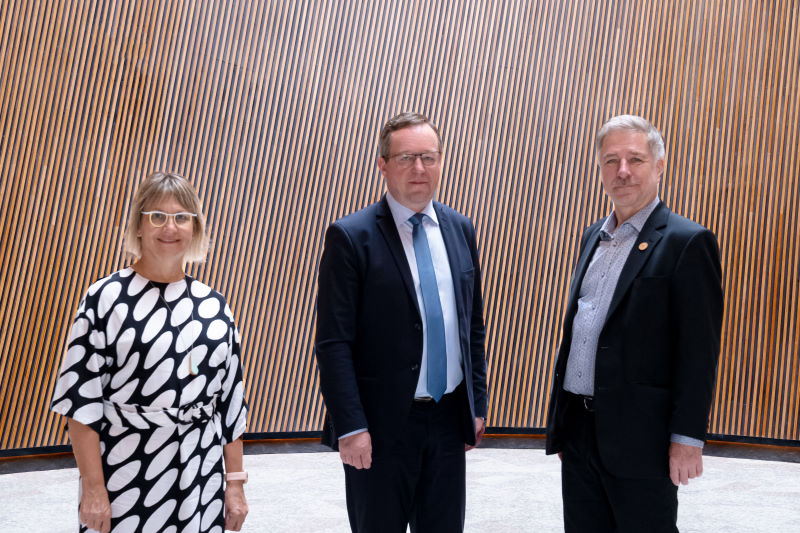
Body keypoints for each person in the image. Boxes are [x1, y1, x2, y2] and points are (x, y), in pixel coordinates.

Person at [545, 115, 724, 532]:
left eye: (635, 159)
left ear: (659, 166)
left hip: (643, 440)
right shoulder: (593, 235)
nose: (622, 171)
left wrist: (687, 438)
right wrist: (564, 425)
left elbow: (698, 352)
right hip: (580, 432)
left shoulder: (687, 242)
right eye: (611, 161)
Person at [315, 112, 488, 532]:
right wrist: (351, 426)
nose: (418, 169)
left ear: (441, 161)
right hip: (378, 427)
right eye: (406, 157)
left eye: (428, 157)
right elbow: (333, 342)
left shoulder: (460, 229)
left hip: (448, 421)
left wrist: (476, 405)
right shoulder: (351, 236)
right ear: (383, 164)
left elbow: (473, 327)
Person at [50, 172, 249, 532]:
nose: (169, 228)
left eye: (181, 218)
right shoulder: (105, 299)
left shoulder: (215, 307)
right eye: (157, 216)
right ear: (139, 225)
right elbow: (81, 405)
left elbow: (230, 407)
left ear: (195, 228)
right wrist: (93, 490)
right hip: (126, 473)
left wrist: (234, 485)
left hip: (200, 477)